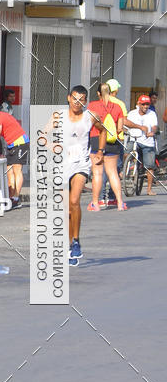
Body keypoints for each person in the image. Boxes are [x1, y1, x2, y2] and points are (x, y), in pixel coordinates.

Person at [65, 85, 107, 266]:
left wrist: (100, 151)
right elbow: (43, 135)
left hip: (81, 164)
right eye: (75, 98)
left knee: (74, 201)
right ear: (68, 98)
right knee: (66, 209)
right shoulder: (59, 117)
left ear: (85, 101)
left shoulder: (90, 117)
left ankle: (76, 240)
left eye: (81, 99)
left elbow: (103, 130)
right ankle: (71, 247)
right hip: (62, 165)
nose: (77, 102)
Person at [87, 82, 126, 211]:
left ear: (98, 93)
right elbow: (120, 128)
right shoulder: (117, 107)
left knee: (97, 173)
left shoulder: (92, 106)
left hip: (96, 140)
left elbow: (88, 124)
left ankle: (95, 204)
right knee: (113, 172)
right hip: (112, 141)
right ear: (110, 92)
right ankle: (120, 203)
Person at [126, 95, 158, 195]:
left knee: (150, 166)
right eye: (143, 104)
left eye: (147, 104)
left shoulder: (152, 114)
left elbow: (154, 126)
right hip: (135, 139)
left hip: (147, 142)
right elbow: (126, 122)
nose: (145, 106)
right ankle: (126, 168)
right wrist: (140, 127)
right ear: (139, 104)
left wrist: (152, 132)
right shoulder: (132, 113)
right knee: (126, 153)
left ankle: (149, 189)